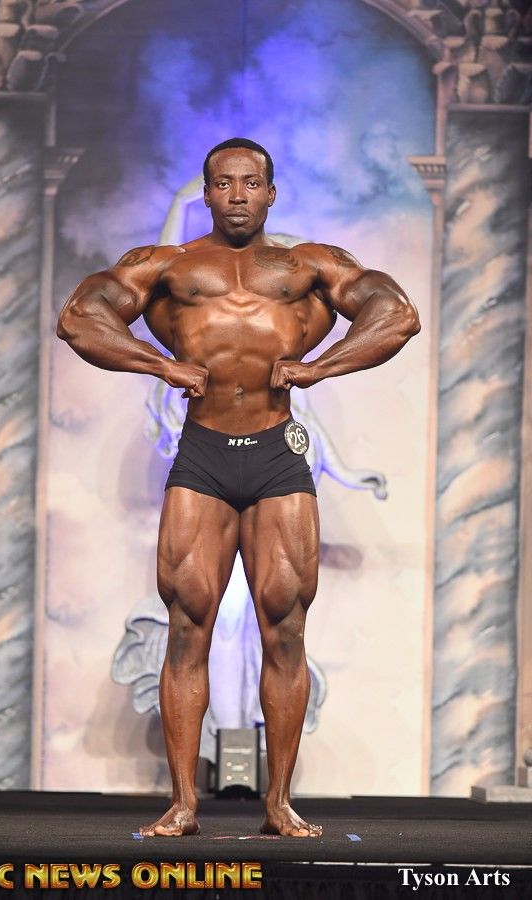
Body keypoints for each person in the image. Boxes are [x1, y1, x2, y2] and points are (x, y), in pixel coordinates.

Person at [56, 137, 420, 837]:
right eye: (224, 183)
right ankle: (183, 804)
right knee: (186, 626)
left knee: (285, 627)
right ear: (206, 193)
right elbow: (80, 316)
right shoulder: (167, 265)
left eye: (251, 183)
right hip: (203, 457)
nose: (238, 195)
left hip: (279, 457)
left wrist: (322, 367)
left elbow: (395, 312)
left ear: (271, 193)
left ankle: (278, 803)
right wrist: (157, 365)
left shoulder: (310, 264)